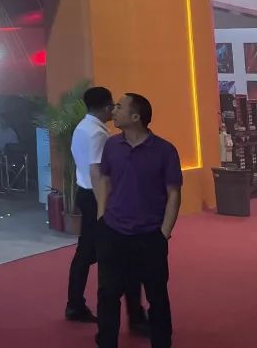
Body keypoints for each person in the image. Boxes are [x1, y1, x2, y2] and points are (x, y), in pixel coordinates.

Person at [96, 94, 182, 348]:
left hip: (150, 236)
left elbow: (174, 193)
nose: (113, 110)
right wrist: (101, 216)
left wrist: (164, 232)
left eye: (119, 107)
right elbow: (105, 180)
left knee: (157, 295)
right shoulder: (111, 146)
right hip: (113, 231)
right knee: (108, 294)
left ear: (136, 117)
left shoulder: (165, 150)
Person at [65, 87, 147, 328]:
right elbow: (97, 171)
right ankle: (80, 306)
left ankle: (75, 304)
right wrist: (105, 206)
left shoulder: (83, 127)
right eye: (113, 105)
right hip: (96, 198)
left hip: (86, 193)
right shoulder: (97, 134)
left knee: (85, 253)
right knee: (106, 255)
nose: (114, 110)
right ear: (105, 107)